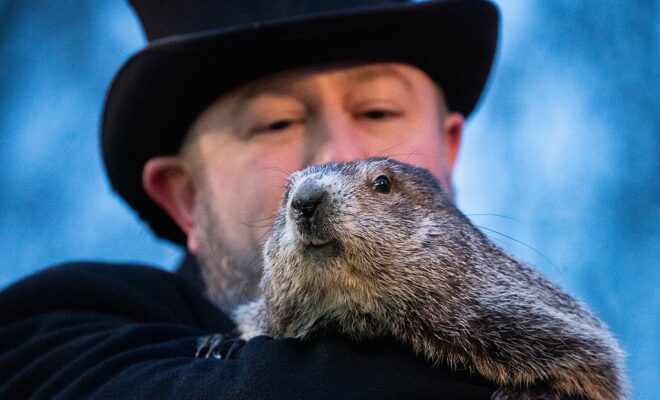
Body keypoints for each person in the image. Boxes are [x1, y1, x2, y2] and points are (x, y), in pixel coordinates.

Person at [0, 0, 521, 398]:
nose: (337, 154)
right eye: (277, 123)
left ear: (449, 150)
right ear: (186, 198)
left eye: (378, 111)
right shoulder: (54, 334)